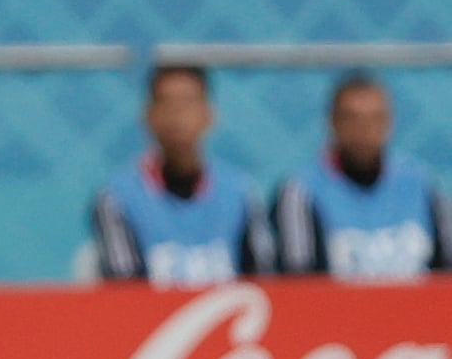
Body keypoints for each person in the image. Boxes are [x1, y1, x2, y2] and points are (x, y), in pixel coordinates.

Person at [94, 65, 275, 285]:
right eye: (166, 102)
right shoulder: (116, 198)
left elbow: (266, 284)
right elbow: (125, 292)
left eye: (187, 102)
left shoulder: (242, 194)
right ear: (148, 116)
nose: (176, 113)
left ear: (210, 115)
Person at [275, 74, 451, 279]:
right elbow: (297, 285)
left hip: (417, 310)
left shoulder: (422, 184)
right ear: (332, 122)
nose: (364, 130)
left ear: (389, 122)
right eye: (352, 119)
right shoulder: (301, 192)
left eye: (374, 118)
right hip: (337, 310)